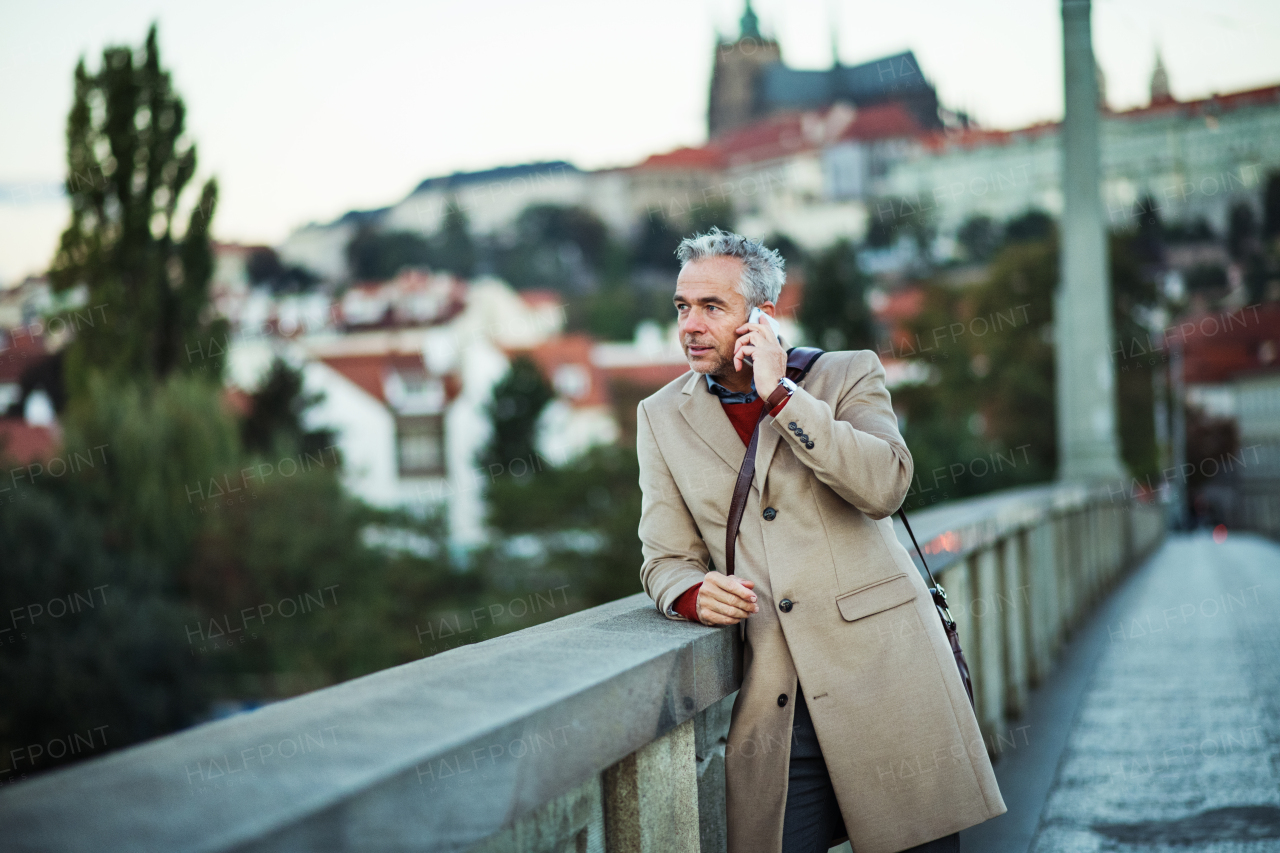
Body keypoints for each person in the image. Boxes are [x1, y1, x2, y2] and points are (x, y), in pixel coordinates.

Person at [636, 228, 1007, 853]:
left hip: (887, 681)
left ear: (760, 316)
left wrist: (781, 395)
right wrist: (690, 592)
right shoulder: (660, 415)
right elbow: (663, 556)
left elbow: (885, 486)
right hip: (776, 709)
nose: (690, 325)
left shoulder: (846, 374)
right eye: (682, 306)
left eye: (712, 307)